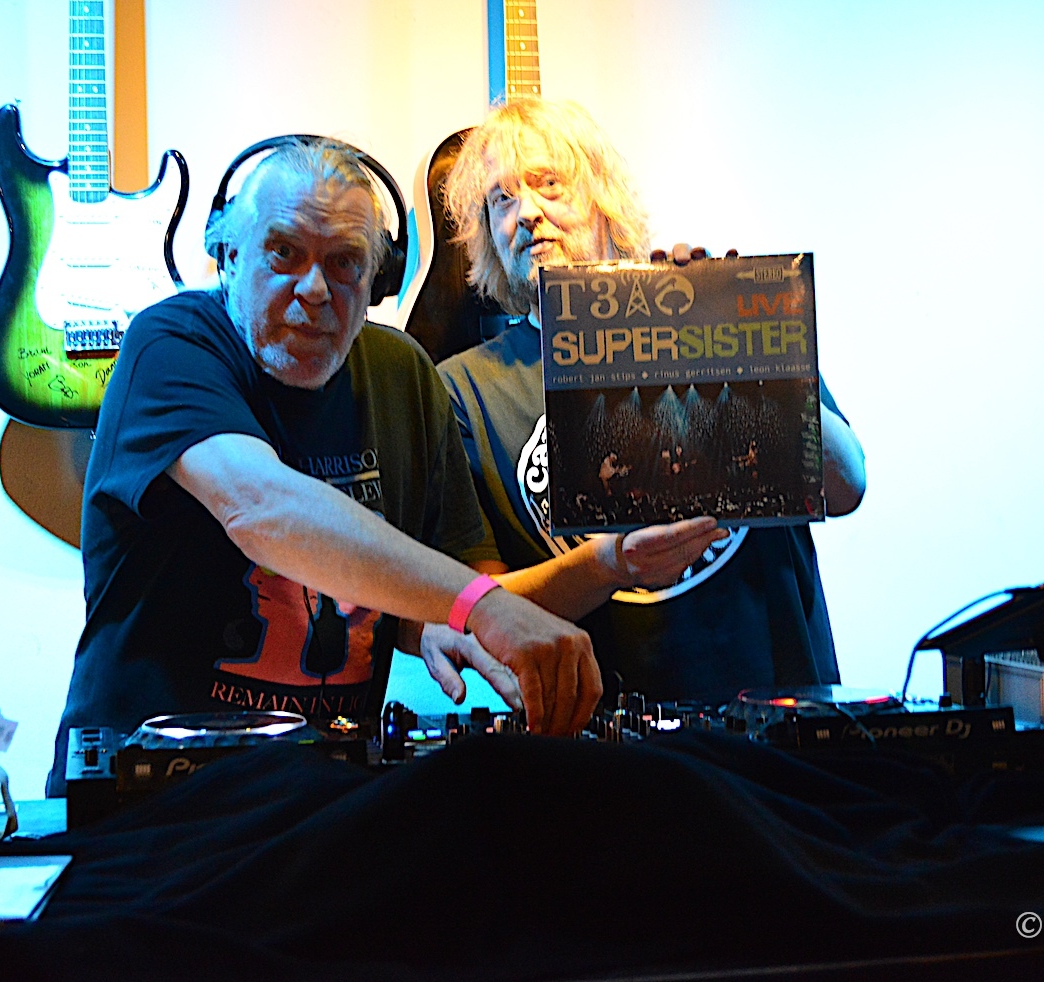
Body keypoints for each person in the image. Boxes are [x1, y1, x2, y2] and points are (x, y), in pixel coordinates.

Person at [46, 137, 722, 795]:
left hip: (321, 798)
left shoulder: (404, 375)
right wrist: (476, 608)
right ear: (227, 256)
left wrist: (603, 565)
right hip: (155, 800)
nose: (315, 287)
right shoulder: (170, 344)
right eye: (283, 253)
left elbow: (462, 598)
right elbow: (261, 507)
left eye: (345, 262)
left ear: (377, 280)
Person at [436, 98, 867, 704]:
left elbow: (845, 486)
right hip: (599, 736)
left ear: (602, 200)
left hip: (774, 722)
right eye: (501, 199)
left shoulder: (717, 315)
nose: (526, 212)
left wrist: (722, 335)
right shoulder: (463, 389)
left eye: (549, 183)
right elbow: (477, 607)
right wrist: (607, 564)